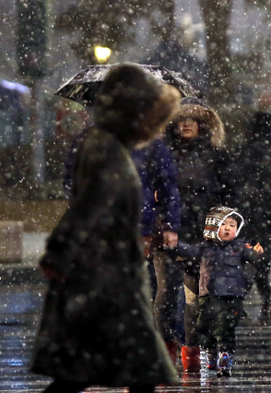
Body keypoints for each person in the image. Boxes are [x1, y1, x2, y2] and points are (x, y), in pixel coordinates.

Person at [30, 63, 180, 392]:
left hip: (106, 271)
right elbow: (87, 207)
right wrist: (64, 254)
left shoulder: (106, 143)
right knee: (128, 366)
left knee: (97, 368)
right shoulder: (106, 148)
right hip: (105, 274)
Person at [161, 96, 232, 372]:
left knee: (195, 296)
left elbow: (228, 193)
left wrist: (222, 227)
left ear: (202, 123)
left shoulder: (215, 155)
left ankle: (190, 354)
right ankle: (166, 350)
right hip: (168, 231)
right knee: (165, 293)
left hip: (201, 235)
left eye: (192, 119)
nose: (186, 124)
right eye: (181, 118)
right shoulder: (164, 153)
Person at [169, 206, 263, 377]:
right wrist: (175, 246)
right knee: (204, 327)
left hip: (231, 296)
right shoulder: (206, 248)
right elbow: (190, 251)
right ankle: (210, 351)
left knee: (225, 328)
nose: (228, 228)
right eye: (223, 224)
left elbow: (253, 259)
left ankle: (225, 357)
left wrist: (257, 254)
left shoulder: (240, 248)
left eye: (232, 225)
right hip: (209, 296)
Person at [234, 111, 271, 320]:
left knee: (247, 257)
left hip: (246, 213)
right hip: (267, 213)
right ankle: (265, 301)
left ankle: (241, 299)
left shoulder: (242, 152)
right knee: (263, 260)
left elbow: (234, 183)